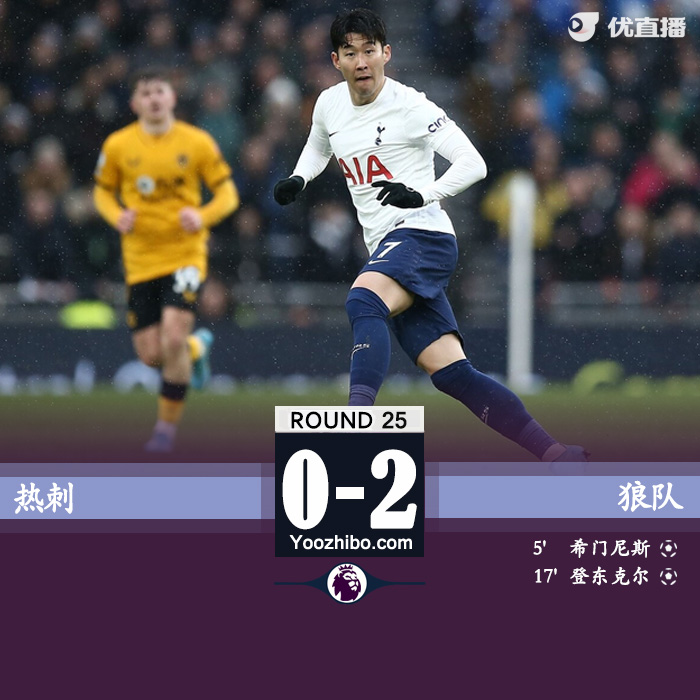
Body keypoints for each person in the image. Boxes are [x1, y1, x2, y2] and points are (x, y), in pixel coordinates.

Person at [274, 8, 588, 467]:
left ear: (386, 53)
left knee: (363, 300)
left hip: (424, 234)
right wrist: (300, 178)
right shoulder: (329, 104)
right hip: (389, 247)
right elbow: (319, 145)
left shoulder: (411, 106)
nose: (361, 62)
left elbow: (473, 163)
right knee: (453, 374)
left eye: (369, 51)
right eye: (350, 53)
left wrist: (423, 193)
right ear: (336, 60)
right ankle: (556, 454)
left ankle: (354, 426)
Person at [93, 67, 239, 452]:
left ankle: (164, 434)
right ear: (134, 103)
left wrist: (202, 216)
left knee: (173, 335)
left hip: (185, 255)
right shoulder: (118, 145)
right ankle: (197, 349)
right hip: (140, 260)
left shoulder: (196, 142)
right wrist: (116, 215)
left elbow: (228, 194)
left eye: (160, 91)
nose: (154, 98)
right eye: (146, 93)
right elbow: (102, 192)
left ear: (172, 98)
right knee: (152, 355)